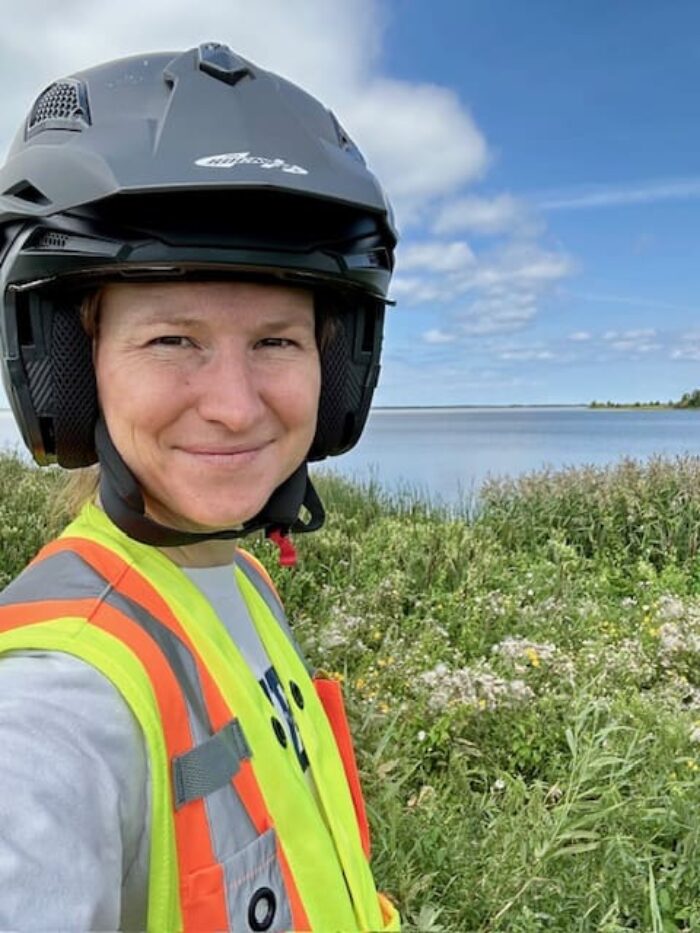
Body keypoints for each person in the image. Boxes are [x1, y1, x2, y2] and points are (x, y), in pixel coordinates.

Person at [0, 43, 399, 931]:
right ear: (73, 368)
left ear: (334, 373)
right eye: (172, 340)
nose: (232, 406)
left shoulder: (244, 582)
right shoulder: (54, 696)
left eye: (277, 341)